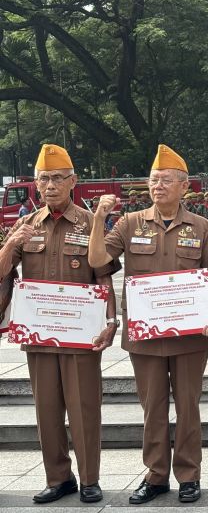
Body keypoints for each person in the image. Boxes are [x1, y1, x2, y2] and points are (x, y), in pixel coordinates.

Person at [88, 144, 208, 504]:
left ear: (184, 187)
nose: (158, 186)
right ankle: (156, 476)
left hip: (190, 337)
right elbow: (99, 258)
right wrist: (99, 219)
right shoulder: (129, 223)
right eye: (153, 180)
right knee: (152, 408)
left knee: (188, 406)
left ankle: (189, 476)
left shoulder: (203, 226)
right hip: (145, 336)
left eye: (166, 180)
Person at [0, 144, 120, 504]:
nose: (50, 185)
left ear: (74, 181)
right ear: (35, 185)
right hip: (38, 336)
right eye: (43, 179)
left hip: (81, 336)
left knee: (84, 408)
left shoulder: (89, 223)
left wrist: (111, 321)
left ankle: (89, 480)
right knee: (46, 409)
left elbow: (104, 278)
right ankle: (58, 478)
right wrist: (11, 246)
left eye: (57, 178)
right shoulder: (25, 225)